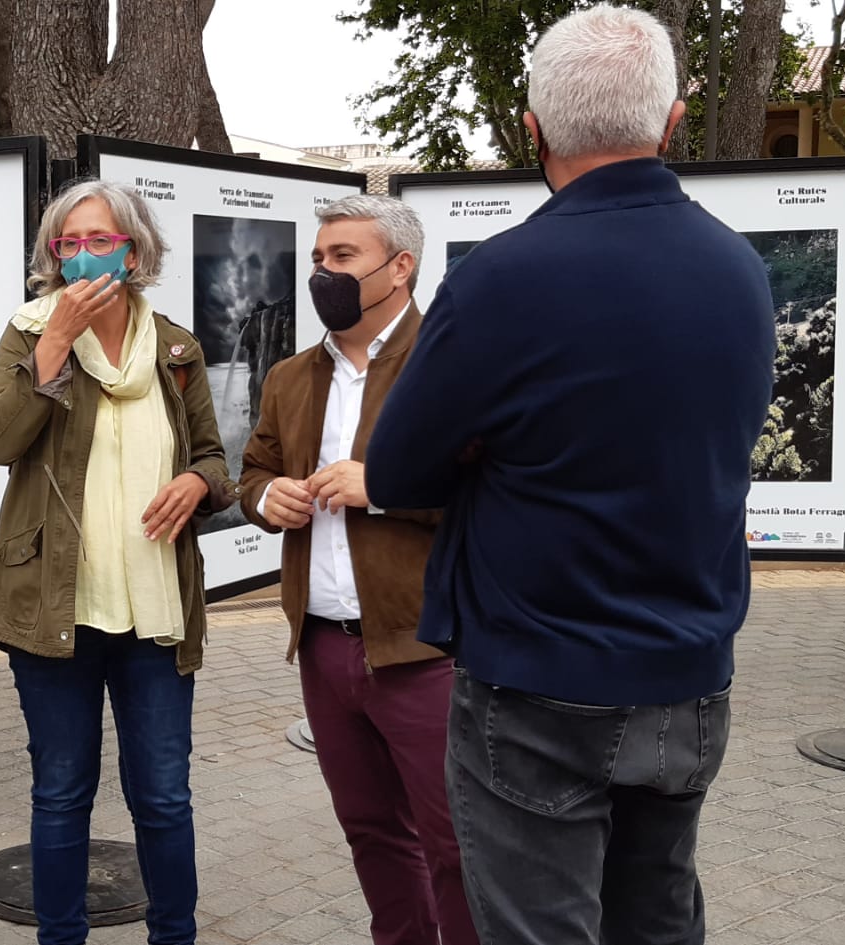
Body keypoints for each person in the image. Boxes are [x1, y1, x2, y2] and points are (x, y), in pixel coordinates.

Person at [364, 6, 776, 944]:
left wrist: (489, 447)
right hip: (688, 671)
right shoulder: (738, 270)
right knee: (658, 920)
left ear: (532, 129)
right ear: (671, 124)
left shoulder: (502, 280)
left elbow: (396, 467)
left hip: (537, 679)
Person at [0, 179, 235, 945]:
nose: (84, 255)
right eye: (69, 243)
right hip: (56, 610)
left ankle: (174, 936)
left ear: (134, 248)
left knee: (163, 796)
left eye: (100, 240)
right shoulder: (27, 331)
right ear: (52, 255)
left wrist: (197, 481)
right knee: (61, 792)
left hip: (155, 610)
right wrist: (54, 346)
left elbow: (218, 459)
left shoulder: (176, 347)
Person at [239, 194, 477, 945]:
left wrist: (383, 486)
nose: (323, 274)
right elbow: (255, 469)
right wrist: (263, 497)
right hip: (323, 647)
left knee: (457, 845)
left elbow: (497, 490)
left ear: (400, 268)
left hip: (425, 650)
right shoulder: (289, 376)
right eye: (317, 260)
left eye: (342, 258)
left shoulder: (451, 362)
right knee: (372, 833)